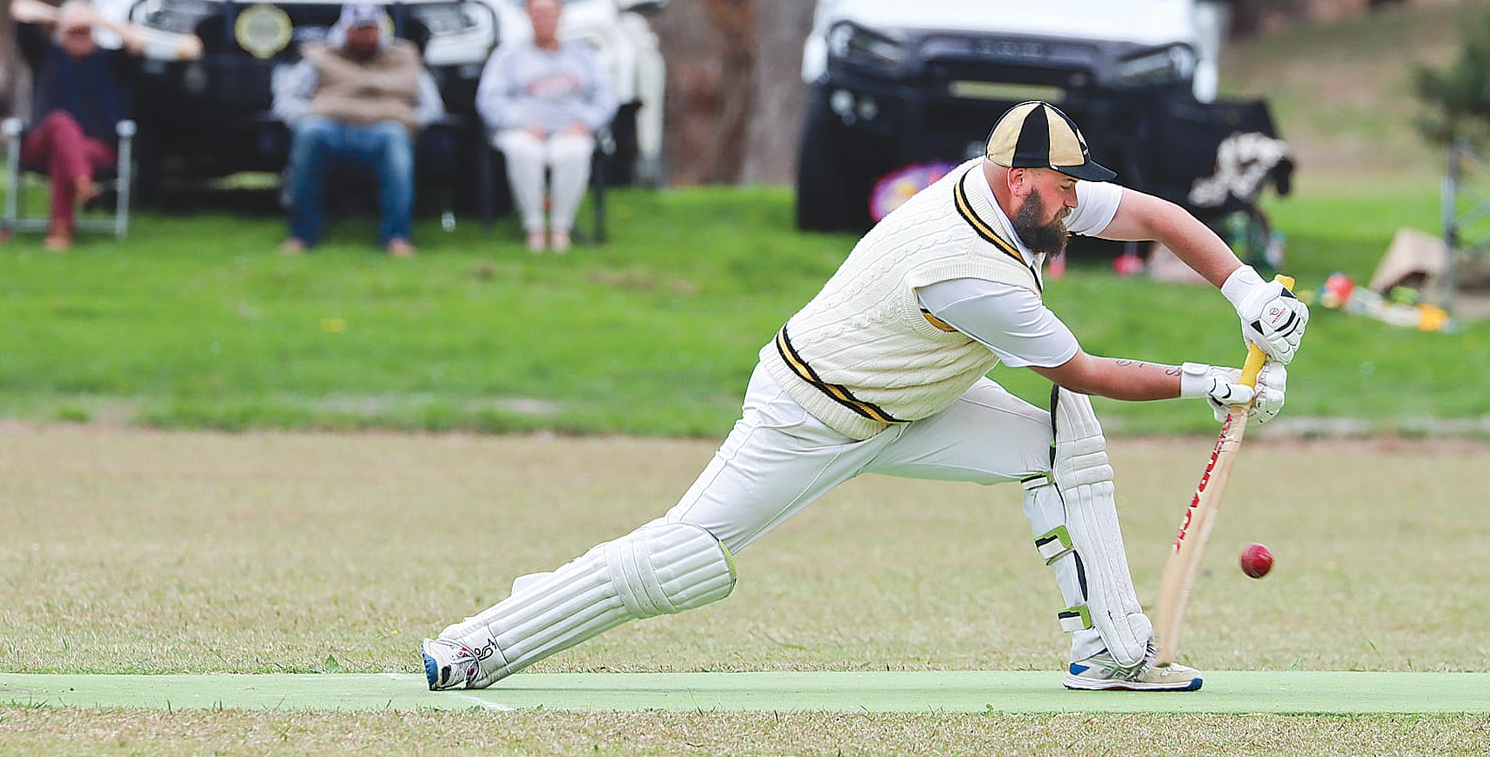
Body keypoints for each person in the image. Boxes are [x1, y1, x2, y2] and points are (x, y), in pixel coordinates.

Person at [422, 101, 1310, 694]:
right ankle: (482, 639)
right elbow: (1081, 368)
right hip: (810, 412)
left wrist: (1248, 296)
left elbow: (1157, 215)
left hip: (917, 409)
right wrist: (1215, 383)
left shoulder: (1027, 195)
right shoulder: (972, 266)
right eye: (1063, 187)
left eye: (1077, 187)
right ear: (1016, 182)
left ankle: (1112, 651)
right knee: (684, 559)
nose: (1074, 202)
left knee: (1059, 438)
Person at [273, 2, 444, 257]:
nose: (365, 36)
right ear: (344, 29)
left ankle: (397, 237)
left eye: (371, 29)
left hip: (384, 131)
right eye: (359, 29)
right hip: (330, 128)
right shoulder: (321, 56)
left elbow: (432, 106)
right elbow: (286, 98)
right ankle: (302, 235)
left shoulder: (404, 56)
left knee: (395, 136)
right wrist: (306, 116)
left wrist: (410, 120)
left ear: (381, 29)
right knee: (310, 132)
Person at [476, 0, 616, 252]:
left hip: (571, 130)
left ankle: (561, 228)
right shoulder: (508, 56)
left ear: (561, 14)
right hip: (524, 131)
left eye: (549, 13)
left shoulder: (584, 56)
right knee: (523, 151)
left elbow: (606, 97)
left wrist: (585, 123)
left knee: (574, 152)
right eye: (537, 13)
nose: (543, 20)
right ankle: (535, 228)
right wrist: (520, 123)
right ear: (527, 15)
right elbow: (489, 100)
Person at [8, 0, 148, 251]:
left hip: (95, 150)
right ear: (62, 32)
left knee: (67, 152)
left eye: (85, 31)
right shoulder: (45, 55)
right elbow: (20, 9)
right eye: (74, 32)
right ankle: (83, 186)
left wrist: (99, 20)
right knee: (61, 123)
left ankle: (61, 231)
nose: (80, 37)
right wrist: (63, 14)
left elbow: (139, 42)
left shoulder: (111, 61)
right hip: (42, 145)